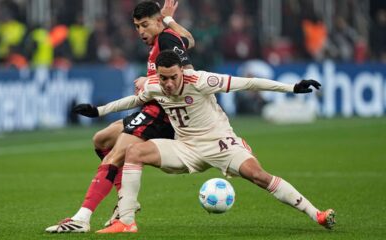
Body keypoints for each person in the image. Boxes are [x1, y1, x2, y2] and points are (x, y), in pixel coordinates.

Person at [75, 50, 335, 233]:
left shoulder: (201, 80)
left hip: (221, 144)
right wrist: (100, 111)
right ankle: (127, 222)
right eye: (163, 78)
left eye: (172, 77)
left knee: (259, 176)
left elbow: (250, 83)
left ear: (181, 72)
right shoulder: (155, 84)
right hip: (185, 147)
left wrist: (292, 88)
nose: (167, 83)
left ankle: (317, 214)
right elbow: (135, 100)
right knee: (133, 152)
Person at [45, 0, 195, 233]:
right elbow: (189, 41)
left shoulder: (165, 39)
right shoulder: (165, 38)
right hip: (151, 109)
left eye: (145, 25)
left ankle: (82, 218)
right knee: (102, 140)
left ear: (157, 21)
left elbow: (188, 75)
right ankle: (125, 204)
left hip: (161, 113)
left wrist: (151, 80)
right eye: (137, 26)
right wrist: (169, 20)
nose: (140, 32)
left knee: (115, 155)